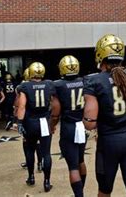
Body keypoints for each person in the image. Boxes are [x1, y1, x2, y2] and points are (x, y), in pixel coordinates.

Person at [83, 34, 126, 197]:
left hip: (109, 142)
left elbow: (90, 123)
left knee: (105, 191)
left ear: (100, 54)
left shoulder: (94, 81)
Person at [17, 62, 60, 192]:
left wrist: (19, 122)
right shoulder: (49, 84)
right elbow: (54, 104)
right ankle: (47, 182)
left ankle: (31, 177)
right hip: (45, 122)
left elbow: (22, 106)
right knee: (46, 153)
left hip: (30, 122)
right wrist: (53, 119)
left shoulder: (24, 86)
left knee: (30, 151)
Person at [54, 55, 87, 197]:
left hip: (69, 126)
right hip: (82, 125)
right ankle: (80, 191)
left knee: (73, 167)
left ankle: (79, 194)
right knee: (81, 161)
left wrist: (52, 124)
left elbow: (55, 109)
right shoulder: (85, 81)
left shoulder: (58, 85)